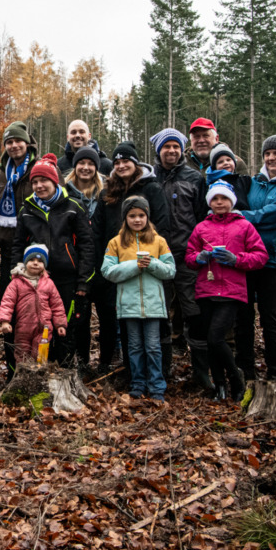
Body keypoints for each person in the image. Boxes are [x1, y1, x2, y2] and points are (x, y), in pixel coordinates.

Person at [93, 142, 171, 375]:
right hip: (115, 263)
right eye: (116, 163)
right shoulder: (107, 192)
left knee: (152, 320)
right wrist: (101, 263)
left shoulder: (151, 188)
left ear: (135, 163)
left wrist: (154, 259)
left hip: (147, 264)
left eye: (126, 161)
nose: (121, 165)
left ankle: (159, 371)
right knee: (118, 319)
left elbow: (163, 225)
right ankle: (122, 368)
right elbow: (97, 230)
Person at [10, 153, 94, 368]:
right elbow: (18, 245)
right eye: (35, 182)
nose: (39, 186)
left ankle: (70, 371)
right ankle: (39, 371)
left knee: (67, 326)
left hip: (67, 277)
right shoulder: (26, 210)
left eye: (44, 181)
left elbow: (86, 245)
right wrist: (17, 271)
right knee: (39, 327)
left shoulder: (73, 207)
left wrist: (84, 280)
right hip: (36, 280)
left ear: (54, 181)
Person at [187, 181, 268, 401]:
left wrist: (236, 259)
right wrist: (199, 257)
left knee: (215, 338)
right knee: (209, 340)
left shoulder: (244, 226)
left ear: (231, 201)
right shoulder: (202, 227)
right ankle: (220, 385)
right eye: (215, 199)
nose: (219, 203)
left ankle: (235, 378)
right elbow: (189, 256)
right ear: (209, 202)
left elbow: (261, 256)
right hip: (207, 289)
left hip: (232, 292)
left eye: (223, 199)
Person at [100, 197, 176, 401]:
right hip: (128, 305)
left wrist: (151, 264)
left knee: (153, 346)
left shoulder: (159, 241)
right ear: (125, 218)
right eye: (132, 215)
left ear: (147, 217)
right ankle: (138, 383)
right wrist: (135, 266)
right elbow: (107, 271)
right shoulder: (116, 242)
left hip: (153, 305)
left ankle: (157, 386)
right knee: (133, 346)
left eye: (141, 215)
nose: (137, 219)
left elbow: (170, 271)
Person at [234, 135, 276, 380]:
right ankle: (245, 368)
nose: (271, 158)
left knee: (272, 317)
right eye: (267, 154)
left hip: (275, 261)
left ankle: (275, 368)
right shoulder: (253, 183)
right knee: (244, 316)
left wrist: (244, 216)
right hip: (247, 259)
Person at [150, 128, 208, 387]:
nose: (171, 151)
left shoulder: (194, 178)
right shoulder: (149, 180)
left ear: (182, 149)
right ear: (158, 150)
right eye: (166, 147)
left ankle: (201, 373)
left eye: (176, 146)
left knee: (193, 312)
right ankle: (161, 371)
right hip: (158, 258)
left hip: (187, 257)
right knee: (160, 313)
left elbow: (201, 218)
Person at [0, 121, 39, 341]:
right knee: (8, 308)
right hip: (9, 251)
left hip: (37, 252)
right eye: (9, 142)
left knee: (36, 310)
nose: (14, 146)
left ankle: (37, 363)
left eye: (18, 140)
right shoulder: (1, 175)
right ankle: (12, 365)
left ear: (27, 143)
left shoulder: (39, 169)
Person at [63, 146, 106, 370]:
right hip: (75, 262)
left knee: (107, 316)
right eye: (82, 163)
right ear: (75, 166)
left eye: (91, 164)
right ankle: (81, 361)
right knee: (79, 316)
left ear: (96, 168)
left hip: (103, 260)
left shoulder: (105, 193)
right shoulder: (64, 193)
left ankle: (107, 362)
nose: (86, 167)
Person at [0, 245, 67, 364]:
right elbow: (7, 302)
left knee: (41, 355)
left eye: (40, 261)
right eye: (31, 260)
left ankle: (39, 378)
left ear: (44, 265)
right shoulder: (17, 282)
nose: (35, 263)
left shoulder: (48, 283)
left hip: (44, 328)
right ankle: (23, 377)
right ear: (25, 262)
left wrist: (60, 324)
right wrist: (5, 321)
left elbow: (57, 305)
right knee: (22, 354)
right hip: (23, 327)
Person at [204, 143, 252, 210]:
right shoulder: (212, 184)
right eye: (220, 162)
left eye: (228, 160)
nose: (226, 163)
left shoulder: (244, 180)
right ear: (215, 167)